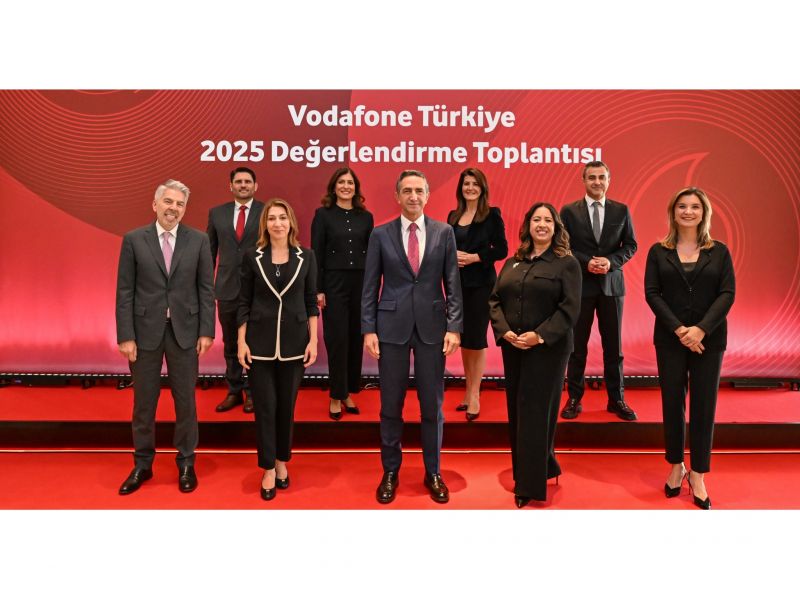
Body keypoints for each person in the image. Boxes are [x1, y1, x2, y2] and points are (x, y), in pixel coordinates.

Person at [362, 170, 462, 504]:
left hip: (433, 328)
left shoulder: (444, 232)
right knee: (391, 405)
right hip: (390, 328)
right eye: (407, 190)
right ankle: (390, 471)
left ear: (428, 195)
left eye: (419, 190)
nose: (413, 196)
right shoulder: (380, 234)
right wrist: (368, 329)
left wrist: (454, 327)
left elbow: (453, 283)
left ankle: (433, 471)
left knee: (432, 405)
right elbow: (369, 286)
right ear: (397, 196)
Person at [115, 179, 215, 495]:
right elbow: (125, 291)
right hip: (144, 333)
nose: (174, 208)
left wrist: (207, 330)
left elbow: (206, 289)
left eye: (180, 204)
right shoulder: (134, 240)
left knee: (186, 402)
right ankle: (142, 464)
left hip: (186, 332)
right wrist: (125, 335)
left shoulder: (199, 241)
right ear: (155, 204)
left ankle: (186, 463)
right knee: (144, 403)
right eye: (169, 202)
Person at [644, 187, 735, 510]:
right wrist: (680, 329)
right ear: (673, 212)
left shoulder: (719, 252)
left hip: (709, 339)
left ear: (704, 213)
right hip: (670, 338)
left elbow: (727, 293)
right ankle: (675, 465)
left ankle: (698, 473)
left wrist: (700, 329)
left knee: (704, 405)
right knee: (672, 403)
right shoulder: (658, 251)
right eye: (682, 206)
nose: (688, 211)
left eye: (695, 206)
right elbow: (652, 293)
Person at [489, 203, 581, 507]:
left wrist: (538, 336)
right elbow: (495, 300)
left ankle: (528, 485)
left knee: (536, 414)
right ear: (528, 225)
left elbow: (569, 310)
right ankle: (543, 466)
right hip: (514, 347)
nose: (542, 224)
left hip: (548, 350)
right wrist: (505, 332)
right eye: (536, 219)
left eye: (547, 220)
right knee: (518, 412)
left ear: (556, 227)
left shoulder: (566, 263)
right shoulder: (513, 262)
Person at [237, 198, 318, 501]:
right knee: (265, 407)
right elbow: (244, 301)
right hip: (258, 344)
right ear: (265, 224)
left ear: (291, 222)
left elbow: (311, 302)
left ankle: (282, 460)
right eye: (272, 218)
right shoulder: (252, 256)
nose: (277, 223)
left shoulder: (307, 256)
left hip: (295, 344)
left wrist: (313, 340)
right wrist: (241, 341)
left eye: (282, 217)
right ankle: (268, 467)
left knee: (286, 407)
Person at [559, 161, 638, 421]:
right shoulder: (569, 211)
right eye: (592, 177)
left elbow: (631, 245)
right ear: (583, 180)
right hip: (580, 286)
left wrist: (610, 262)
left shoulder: (621, 210)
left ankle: (617, 399)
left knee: (614, 348)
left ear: (609, 180)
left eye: (601, 177)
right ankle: (574, 398)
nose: (597, 182)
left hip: (611, 287)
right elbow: (563, 245)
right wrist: (587, 262)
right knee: (576, 347)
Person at [311, 167, 374, 420]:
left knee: (355, 339)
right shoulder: (323, 215)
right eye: (341, 182)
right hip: (333, 283)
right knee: (337, 339)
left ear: (356, 187)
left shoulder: (365, 217)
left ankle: (348, 391)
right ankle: (336, 396)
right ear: (334, 187)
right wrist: (318, 289)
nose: (346, 186)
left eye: (350, 182)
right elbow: (316, 252)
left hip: (360, 282)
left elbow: (372, 254)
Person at [447, 167, 508, 421]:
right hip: (456, 285)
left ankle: (475, 394)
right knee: (462, 338)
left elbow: (502, 249)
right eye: (466, 184)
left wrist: (475, 257)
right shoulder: (453, 216)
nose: (470, 188)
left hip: (482, 285)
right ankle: (468, 389)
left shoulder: (492, 215)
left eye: (475, 184)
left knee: (477, 338)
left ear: (482, 188)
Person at [207, 167, 264, 414]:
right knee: (230, 342)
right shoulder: (217, 213)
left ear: (255, 186)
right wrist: (206, 285)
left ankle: (253, 392)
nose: (243, 185)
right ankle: (234, 391)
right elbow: (209, 252)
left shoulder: (266, 211)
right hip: (226, 288)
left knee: (255, 342)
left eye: (247, 181)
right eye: (238, 181)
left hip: (258, 288)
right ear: (230, 186)